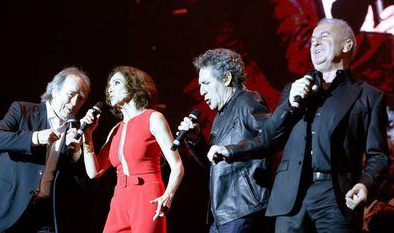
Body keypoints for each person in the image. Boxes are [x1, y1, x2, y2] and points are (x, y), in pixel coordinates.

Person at [209, 18, 390, 233]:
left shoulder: (369, 96)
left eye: (324, 36)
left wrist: (365, 183)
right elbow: (268, 139)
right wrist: (289, 104)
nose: (315, 44)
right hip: (291, 197)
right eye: (312, 40)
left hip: (337, 198)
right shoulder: (295, 90)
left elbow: (377, 155)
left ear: (347, 45)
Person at [0, 67, 91, 233]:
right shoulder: (23, 110)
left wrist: (75, 155)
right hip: (6, 208)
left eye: (80, 98)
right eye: (71, 94)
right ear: (54, 91)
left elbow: (78, 182)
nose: (75, 103)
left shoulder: (74, 131)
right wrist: (36, 137)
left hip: (44, 217)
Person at [80, 66, 184, 233]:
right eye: (109, 85)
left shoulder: (153, 118)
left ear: (133, 86)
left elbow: (177, 165)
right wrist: (88, 137)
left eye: (117, 82)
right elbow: (94, 171)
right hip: (120, 198)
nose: (110, 88)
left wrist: (168, 195)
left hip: (147, 195)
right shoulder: (115, 130)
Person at [177, 48, 271, 233]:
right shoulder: (222, 115)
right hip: (223, 213)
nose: (201, 92)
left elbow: (270, 139)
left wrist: (231, 150)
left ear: (227, 79)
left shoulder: (248, 101)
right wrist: (196, 140)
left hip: (243, 208)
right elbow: (214, 162)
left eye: (206, 83)